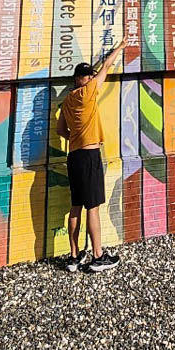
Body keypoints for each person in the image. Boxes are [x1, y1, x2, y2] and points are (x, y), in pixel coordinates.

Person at [56, 35, 126, 273]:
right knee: (92, 207)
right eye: (87, 75)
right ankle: (98, 256)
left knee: (76, 206)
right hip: (89, 157)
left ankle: (74, 257)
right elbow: (106, 66)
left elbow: (60, 130)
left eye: (89, 75)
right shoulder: (88, 93)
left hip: (73, 157)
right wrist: (121, 47)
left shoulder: (67, 100)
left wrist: (76, 137)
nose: (90, 78)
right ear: (81, 79)